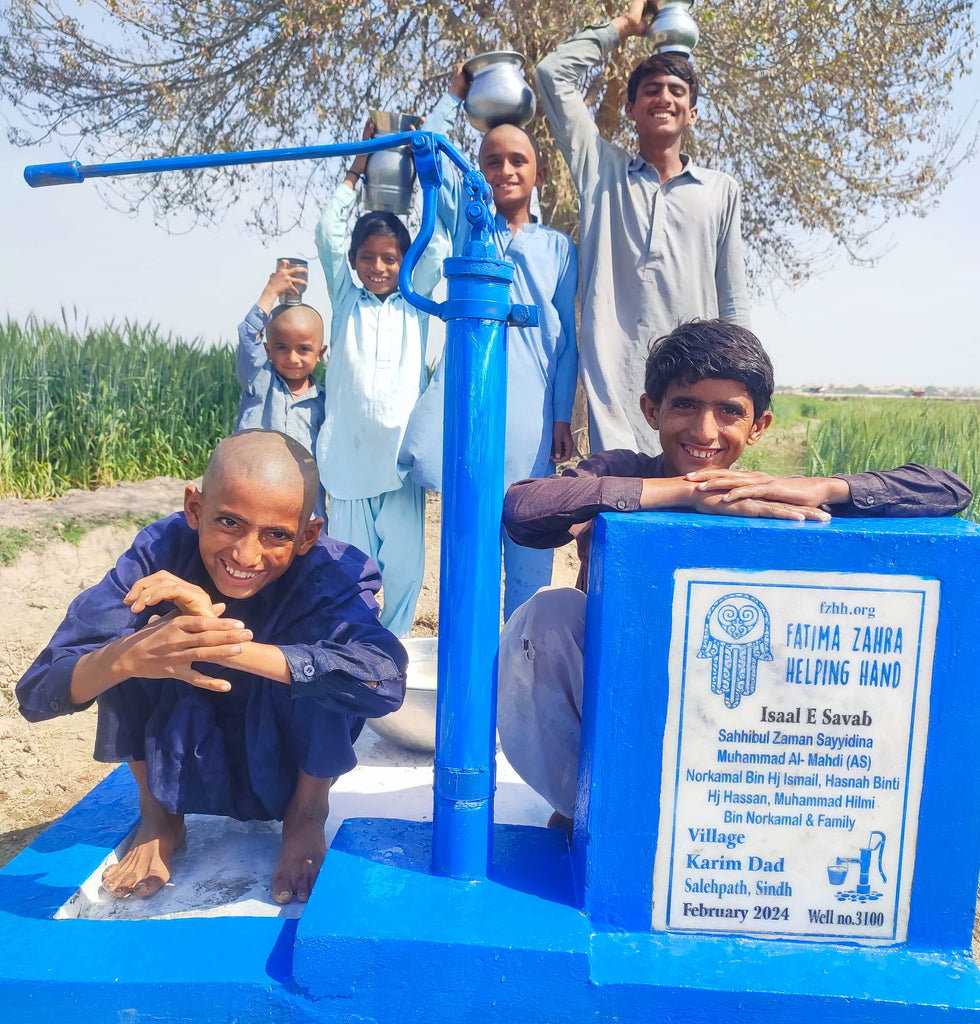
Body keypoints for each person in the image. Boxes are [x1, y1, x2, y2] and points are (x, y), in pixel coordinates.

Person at [496, 320, 973, 832]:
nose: (704, 432)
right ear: (652, 410)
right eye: (686, 405)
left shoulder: (773, 496)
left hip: (742, 731)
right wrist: (682, 492)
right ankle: (588, 807)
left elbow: (948, 490)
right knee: (546, 615)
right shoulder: (626, 472)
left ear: (759, 425)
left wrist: (821, 489)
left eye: (729, 412)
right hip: (620, 702)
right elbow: (525, 509)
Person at [16, 430, 406, 903]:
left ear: (307, 535)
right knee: (129, 645)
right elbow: (38, 691)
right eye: (229, 522)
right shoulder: (158, 554)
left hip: (286, 756)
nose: (246, 555)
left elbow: (383, 680)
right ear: (195, 509)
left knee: (323, 669)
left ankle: (306, 816)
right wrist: (136, 652)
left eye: (276, 535)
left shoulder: (333, 572)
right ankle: (159, 816)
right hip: (183, 746)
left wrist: (219, 643)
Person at [400, 68, 579, 619]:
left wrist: (562, 419)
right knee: (468, 559)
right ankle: (470, 682)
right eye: (491, 161)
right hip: (474, 409)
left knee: (529, 563)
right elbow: (425, 151)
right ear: (476, 175)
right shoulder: (471, 226)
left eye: (517, 161)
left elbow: (568, 342)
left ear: (538, 174)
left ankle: (518, 686)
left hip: (531, 423)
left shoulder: (559, 248)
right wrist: (455, 96)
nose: (504, 170)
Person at [536, 0, 750, 455]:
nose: (664, 98)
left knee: (686, 515)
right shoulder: (601, 172)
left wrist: (745, 387)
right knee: (621, 515)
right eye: (651, 89)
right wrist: (625, 25)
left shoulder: (721, 190)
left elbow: (733, 297)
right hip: (613, 389)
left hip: (696, 396)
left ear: (692, 113)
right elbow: (552, 74)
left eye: (677, 90)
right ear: (631, 108)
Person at [314, 126, 449, 637]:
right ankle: (351, 651)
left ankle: (386, 651)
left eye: (390, 258)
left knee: (406, 572)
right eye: (368, 257)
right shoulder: (346, 302)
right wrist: (358, 165)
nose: (378, 266)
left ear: (404, 263)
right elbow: (329, 231)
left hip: (398, 466)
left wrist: (424, 166)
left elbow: (438, 242)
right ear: (353, 262)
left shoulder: (415, 305)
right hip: (347, 465)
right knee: (350, 574)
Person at [236, 262, 327, 517]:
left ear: (320, 353)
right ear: (267, 350)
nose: (293, 357)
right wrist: (270, 292)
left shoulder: (324, 401)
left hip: (304, 504)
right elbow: (248, 336)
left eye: (304, 349)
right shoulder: (261, 382)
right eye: (282, 347)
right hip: (256, 493)